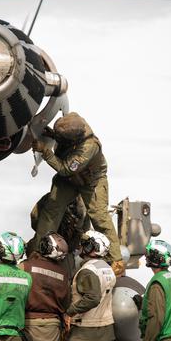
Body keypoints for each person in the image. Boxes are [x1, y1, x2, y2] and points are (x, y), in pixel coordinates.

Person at [27, 112, 123, 276]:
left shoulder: (88, 147)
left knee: (99, 216)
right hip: (70, 179)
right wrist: (53, 134)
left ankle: (116, 260)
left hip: (91, 182)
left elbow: (65, 169)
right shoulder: (72, 121)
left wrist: (46, 151)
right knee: (51, 211)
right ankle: (37, 252)